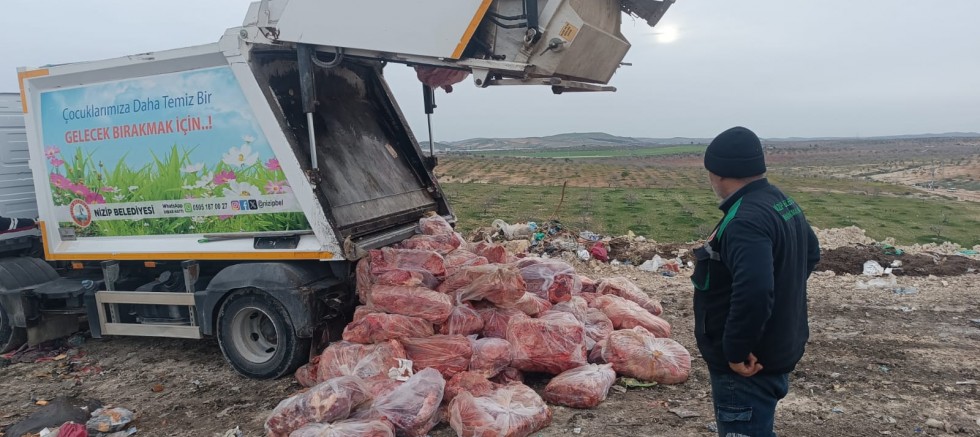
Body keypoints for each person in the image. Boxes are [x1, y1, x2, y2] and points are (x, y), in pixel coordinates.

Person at [691, 126, 820, 437]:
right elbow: (811, 253)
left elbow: (755, 291)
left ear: (719, 174)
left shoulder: (745, 221)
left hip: (749, 364)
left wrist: (736, 350)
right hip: (777, 346)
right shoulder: (780, 201)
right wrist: (782, 296)